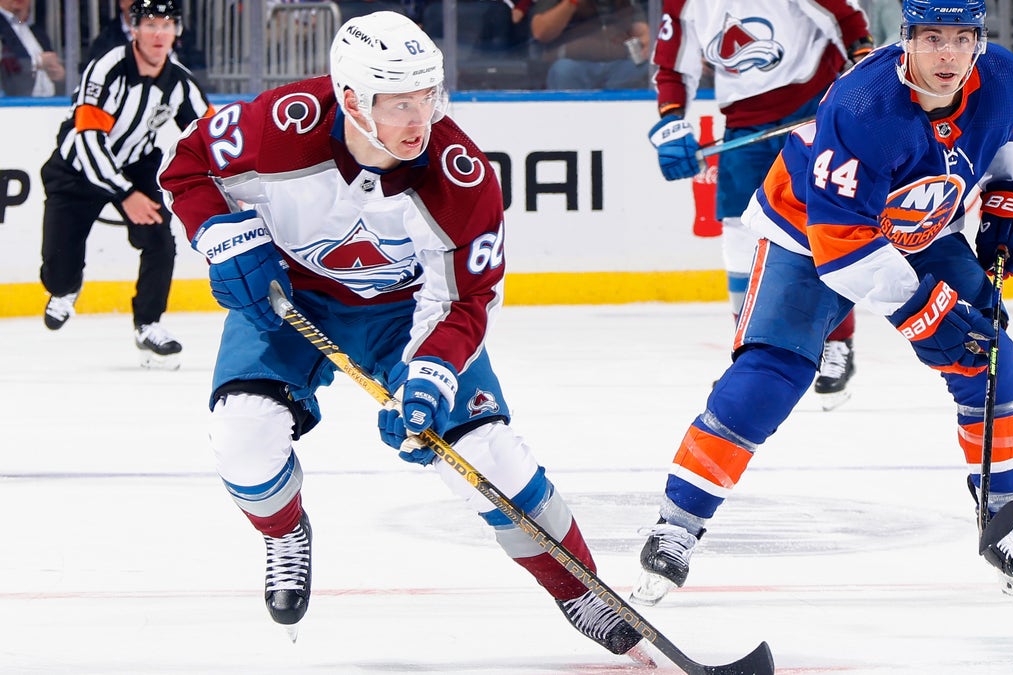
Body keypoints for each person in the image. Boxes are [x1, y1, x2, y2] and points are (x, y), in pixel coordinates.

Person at [158, 11, 651, 660]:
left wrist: (429, 373)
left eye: (429, 98)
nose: (422, 121)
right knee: (242, 440)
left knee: (488, 454)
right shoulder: (279, 125)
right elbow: (188, 165)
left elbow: (468, 296)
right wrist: (223, 237)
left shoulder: (459, 174)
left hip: (409, 314)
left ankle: (579, 588)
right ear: (352, 99)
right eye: (401, 105)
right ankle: (284, 531)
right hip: (293, 299)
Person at [632, 0, 1013, 607]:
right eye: (932, 38)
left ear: (980, 42)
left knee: (992, 363)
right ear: (904, 39)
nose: (948, 55)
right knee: (768, 379)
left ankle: (1005, 516)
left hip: (921, 227)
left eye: (963, 39)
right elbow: (842, 248)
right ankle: (676, 525)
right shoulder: (863, 106)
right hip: (809, 234)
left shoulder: (1004, 74)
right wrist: (924, 313)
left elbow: (1005, 129)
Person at [646, 1, 873, 410]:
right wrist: (670, 118)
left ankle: (837, 343)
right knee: (738, 235)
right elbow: (673, 66)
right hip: (743, 121)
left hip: (813, 106)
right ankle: (749, 349)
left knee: (823, 226)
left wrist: (864, 70)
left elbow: (847, 20)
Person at [39, 0, 212, 370]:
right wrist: (124, 193)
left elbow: (209, 135)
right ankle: (66, 288)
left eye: (167, 25)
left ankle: (148, 323)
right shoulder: (106, 69)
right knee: (57, 270)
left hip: (135, 166)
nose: (159, 34)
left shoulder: (180, 82)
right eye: (150, 25)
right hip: (76, 170)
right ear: (134, 30)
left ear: (177, 32)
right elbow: (87, 139)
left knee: (160, 241)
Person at [530, 0, 650, 90]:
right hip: (574, 63)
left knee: (646, 69)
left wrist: (645, 42)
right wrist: (572, 2)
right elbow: (540, 32)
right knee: (563, 71)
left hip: (618, 64)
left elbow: (642, 30)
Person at [0, 0, 65, 96]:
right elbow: (4, 65)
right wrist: (38, 62)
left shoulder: (38, 33)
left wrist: (60, 76)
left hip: (49, 106)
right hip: (11, 106)